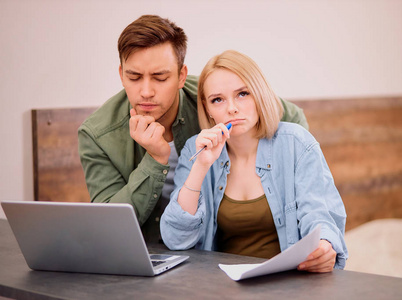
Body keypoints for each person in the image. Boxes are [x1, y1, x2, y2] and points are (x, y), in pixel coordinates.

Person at [78, 15, 309, 242]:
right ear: (121, 75)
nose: (146, 91)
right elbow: (108, 228)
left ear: (181, 76)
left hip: (209, 249)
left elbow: (287, 115)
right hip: (143, 252)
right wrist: (155, 159)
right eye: (134, 77)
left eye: (160, 77)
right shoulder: (97, 135)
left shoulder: (213, 96)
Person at [160, 50, 347, 272]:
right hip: (219, 286)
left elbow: (319, 215)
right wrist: (200, 166)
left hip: (290, 283)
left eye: (242, 94)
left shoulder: (296, 143)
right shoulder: (196, 148)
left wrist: (324, 246)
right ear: (208, 108)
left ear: (259, 93)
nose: (231, 108)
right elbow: (175, 239)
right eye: (217, 100)